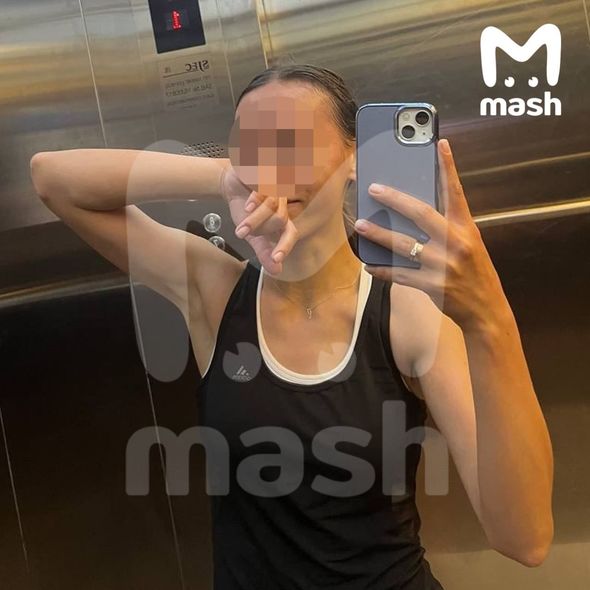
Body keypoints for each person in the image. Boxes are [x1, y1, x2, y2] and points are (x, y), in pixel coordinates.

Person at [30, 63, 554, 589]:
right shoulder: (215, 290)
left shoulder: (408, 314)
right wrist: (223, 176)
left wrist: (489, 319)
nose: (270, 169)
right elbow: (53, 178)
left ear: (354, 158)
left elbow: (524, 537)